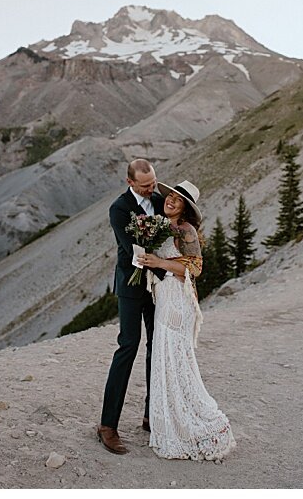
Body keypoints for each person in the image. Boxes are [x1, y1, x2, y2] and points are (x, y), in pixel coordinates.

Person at [136, 180, 236, 461]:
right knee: (166, 356)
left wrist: (160, 263)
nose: (170, 201)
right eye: (170, 196)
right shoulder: (161, 224)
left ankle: (194, 424)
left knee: (174, 355)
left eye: (178, 200)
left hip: (178, 297)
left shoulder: (185, 229)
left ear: (185, 208)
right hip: (165, 295)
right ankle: (169, 422)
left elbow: (195, 267)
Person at [97, 158, 166, 454]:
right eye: (145, 185)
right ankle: (107, 425)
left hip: (158, 286)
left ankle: (151, 416)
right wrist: (160, 264)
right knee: (128, 346)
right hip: (131, 284)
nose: (152, 188)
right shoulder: (119, 208)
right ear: (130, 183)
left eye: (153, 182)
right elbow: (130, 249)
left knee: (158, 344)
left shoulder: (161, 201)